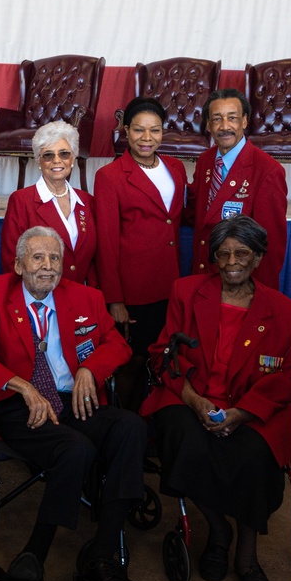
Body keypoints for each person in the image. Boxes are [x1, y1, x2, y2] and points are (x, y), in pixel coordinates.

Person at [0, 226, 147, 581]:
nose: (48, 267)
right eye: (38, 258)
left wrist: (89, 369)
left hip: (72, 399)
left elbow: (117, 344)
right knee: (76, 449)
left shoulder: (86, 297)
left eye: (55, 258)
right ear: (18, 265)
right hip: (19, 406)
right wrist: (22, 386)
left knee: (132, 428)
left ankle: (100, 556)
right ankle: (34, 554)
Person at [140, 215, 291, 581]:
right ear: (213, 257)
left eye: (242, 253)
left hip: (249, 408)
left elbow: (285, 382)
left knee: (252, 457)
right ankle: (218, 532)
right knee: (184, 440)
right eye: (224, 253)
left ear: (259, 257)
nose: (232, 260)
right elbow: (163, 357)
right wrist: (196, 401)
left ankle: (247, 558)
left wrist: (242, 413)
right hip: (188, 397)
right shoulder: (186, 292)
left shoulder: (283, 312)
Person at [94, 97, 189, 410]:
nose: (147, 138)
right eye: (138, 130)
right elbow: (106, 242)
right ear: (125, 130)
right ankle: (123, 429)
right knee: (131, 363)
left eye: (155, 130)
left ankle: (150, 431)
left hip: (170, 283)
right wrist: (115, 299)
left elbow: (175, 217)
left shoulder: (175, 168)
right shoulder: (110, 176)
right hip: (134, 291)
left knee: (164, 358)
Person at [189, 89, 287, 289]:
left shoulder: (267, 170)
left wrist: (259, 294)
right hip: (203, 278)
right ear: (208, 124)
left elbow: (271, 245)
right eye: (217, 119)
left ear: (244, 121)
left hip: (240, 286)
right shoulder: (205, 161)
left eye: (232, 118)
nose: (225, 126)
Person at [0, 121, 97, 285]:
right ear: (39, 161)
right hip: (41, 300)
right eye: (48, 155)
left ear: (73, 157)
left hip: (82, 298)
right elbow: (12, 261)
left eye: (64, 154)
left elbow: (94, 260)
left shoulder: (86, 201)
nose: (57, 160)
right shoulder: (21, 200)